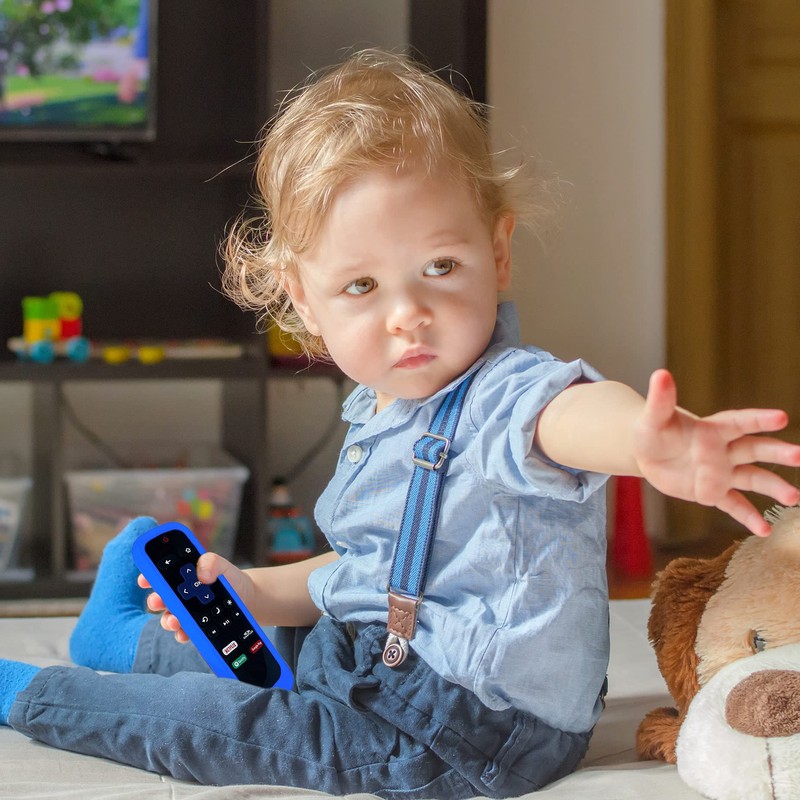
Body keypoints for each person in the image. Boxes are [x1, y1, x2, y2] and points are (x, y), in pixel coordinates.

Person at [1, 49, 799, 799]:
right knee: (271, 650)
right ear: (303, 300)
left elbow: (566, 414)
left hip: (472, 733)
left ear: (498, 252)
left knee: (229, 725)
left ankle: (34, 695)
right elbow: (375, 569)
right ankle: (121, 642)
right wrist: (257, 589)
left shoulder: (503, 393)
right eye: (361, 286)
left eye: (441, 267)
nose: (408, 313)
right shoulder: (380, 405)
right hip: (385, 658)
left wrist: (647, 442)